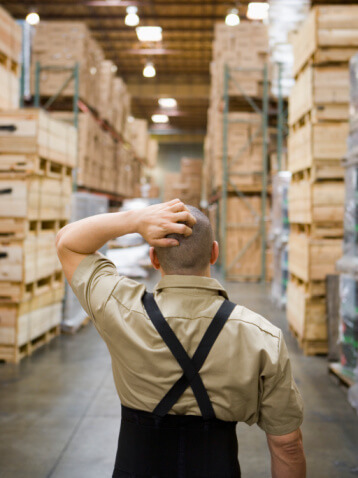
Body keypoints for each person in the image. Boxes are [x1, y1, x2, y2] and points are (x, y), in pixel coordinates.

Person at [56, 199, 306, 478]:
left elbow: (67, 242)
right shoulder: (262, 337)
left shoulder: (120, 308)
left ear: (153, 258)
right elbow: (288, 446)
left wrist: (135, 220)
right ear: (214, 253)